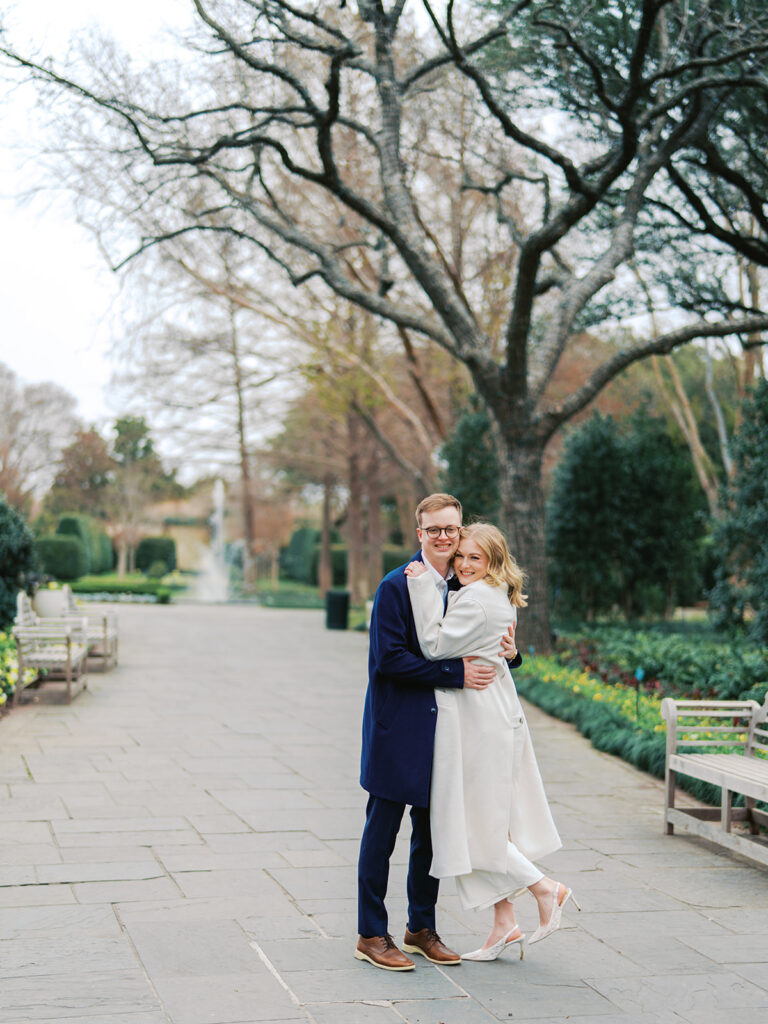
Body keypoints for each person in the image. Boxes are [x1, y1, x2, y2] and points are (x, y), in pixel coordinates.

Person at [356, 494, 520, 971]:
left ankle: (419, 929)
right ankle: (370, 933)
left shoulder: (469, 583)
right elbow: (390, 660)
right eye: (434, 530)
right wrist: (455, 674)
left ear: (460, 527)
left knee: (431, 837)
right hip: (396, 731)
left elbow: (484, 641)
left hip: (447, 736)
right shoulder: (396, 586)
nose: (445, 537)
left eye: (451, 528)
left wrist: (511, 654)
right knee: (381, 835)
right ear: (419, 532)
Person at [405, 522, 579, 961]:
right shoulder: (492, 595)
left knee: (468, 825)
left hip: (479, 723)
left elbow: (432, 645)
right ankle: (504, 923)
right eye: (460, 555)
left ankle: (545, 888)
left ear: (493, 563)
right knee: (485, 822)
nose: (463, 563)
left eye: (474, 558)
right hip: (488, 716)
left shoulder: (479, 600)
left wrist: (424, 587)